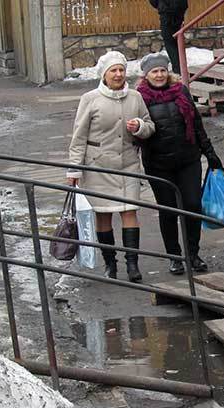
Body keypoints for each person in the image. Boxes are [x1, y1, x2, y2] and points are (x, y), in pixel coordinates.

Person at [67, 51, 155, 282]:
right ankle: (110, 264)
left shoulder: (135, 97)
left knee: (129, 212)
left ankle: (133, 265)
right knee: (104, 215)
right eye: (113, 70)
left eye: (121, 70)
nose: (118, 74)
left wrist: (139, 128)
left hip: (128, 164)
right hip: (99, 166)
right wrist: (74, 170)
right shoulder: (90, 98)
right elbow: (79, 137)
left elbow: (149, 125)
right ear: (104, 74)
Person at [136, 53, 221, 275]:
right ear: (146, 75)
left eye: (163, 70)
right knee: (168, 210)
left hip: (188, 159)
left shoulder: (181, 92)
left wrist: (210, 153)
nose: (159, 75)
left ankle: (192, 254)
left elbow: (196, 123)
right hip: (158, 164)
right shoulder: (139, 98)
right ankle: (174, 256)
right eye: (154, 71)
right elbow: (136, 133)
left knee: (192, 205)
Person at [149, 0, 188, 74]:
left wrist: (160, 5)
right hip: (179, 13)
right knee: (178, 43)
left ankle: (178, 71)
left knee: (170, 44)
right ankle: (182, 69)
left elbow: (153, 1)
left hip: (166, 13)